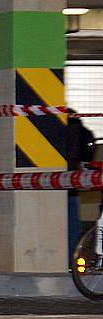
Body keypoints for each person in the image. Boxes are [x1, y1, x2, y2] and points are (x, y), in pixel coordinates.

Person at [66, 109, 96, 263]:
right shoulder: (74, 120)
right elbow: (89, 144)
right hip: (72, 181)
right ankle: (73, 259)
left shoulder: (48, 119)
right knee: (72, 224)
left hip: (52, 181)